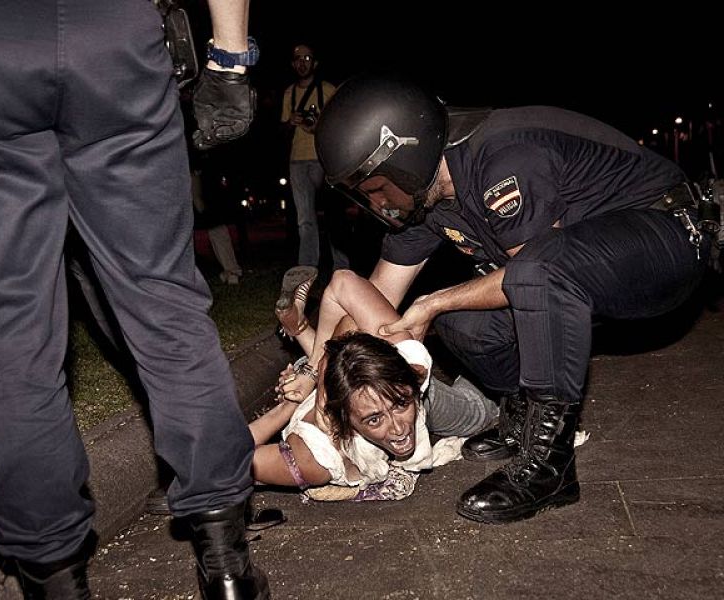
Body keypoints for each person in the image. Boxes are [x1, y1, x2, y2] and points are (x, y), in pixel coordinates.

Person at [0, 1, 269, 599]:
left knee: (11, 329)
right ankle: (226, 562)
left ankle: (54, 579)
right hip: (113, 36)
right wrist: (229, 60)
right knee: (162, 297)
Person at [313, 74, 715, 524]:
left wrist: (433, 302)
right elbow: (378, 296)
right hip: (580, 269)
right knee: (462, 325)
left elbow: (530, 271)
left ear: (405, 156)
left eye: (376, 187)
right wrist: (321, 374)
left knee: (519, 278)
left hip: (666, 239)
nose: (377, 202)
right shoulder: (428, 200)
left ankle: (549, 465)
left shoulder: (504, 156)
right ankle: (523, 419)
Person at [251, 268, 496, 500]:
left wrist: (316, 370)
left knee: (483, 404)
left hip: (361, 386)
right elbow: (225, 462)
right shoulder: (316, 458)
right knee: (481, 404)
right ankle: (302, 335)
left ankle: (300, 331)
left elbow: (344, 287)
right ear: (345, 420)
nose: (399, 429)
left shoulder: (407, 364)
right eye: (374, 419)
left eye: (400, 404)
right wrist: (284, 410)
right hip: (325, 406)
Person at [280, 44, 348, 271]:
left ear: (315, 63)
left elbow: (341, 124)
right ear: (292, 64)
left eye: (307, 58)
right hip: (297, 161)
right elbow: (282, 130)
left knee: (334, 214)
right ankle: (307, 267)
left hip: (324, 159)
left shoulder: (328, 89)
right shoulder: (289, 93)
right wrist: (291, 122)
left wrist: (318, 126)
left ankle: (342, 266)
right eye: (298, 59)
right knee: (305, 220)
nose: (302, 63)